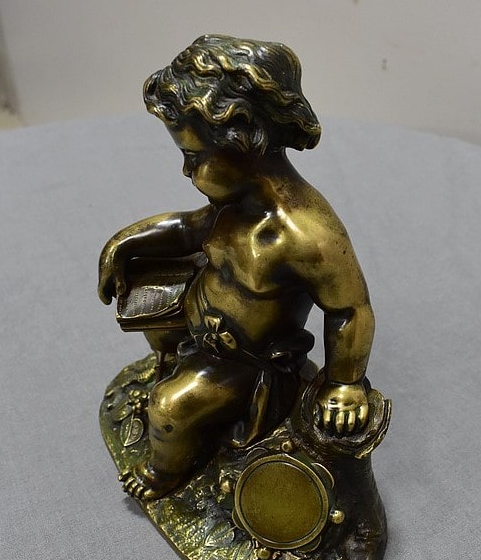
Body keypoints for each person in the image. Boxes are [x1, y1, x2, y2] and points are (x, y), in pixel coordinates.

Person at [98, 35, 374, 501]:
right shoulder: (232, 205)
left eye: (193, 157)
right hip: (196, 323)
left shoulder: (306, 235)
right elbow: (187, 229)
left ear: (244, 144)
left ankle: (165, 473)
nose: (186, 172)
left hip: (242, 362)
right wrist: (122, 245)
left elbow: (351, 310)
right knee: (149, 310)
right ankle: (174, 366)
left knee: (167, 410)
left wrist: (344, 384)